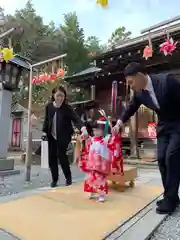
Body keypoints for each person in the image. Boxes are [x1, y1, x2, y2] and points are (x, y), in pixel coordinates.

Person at [113, 62, 180, 214]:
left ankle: (170, 200)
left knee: (172, 157)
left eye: (131, 82)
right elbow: (130, 108)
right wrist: (118, 123)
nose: (130, 86)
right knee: (162, 159)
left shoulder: (166, 81)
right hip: (163, 126)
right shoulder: (139, 93)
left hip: (178, 123)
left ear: (139, 76)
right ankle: (171, 196)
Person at [42, 85, 88, 188]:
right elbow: (46, 120)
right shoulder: (49, 107)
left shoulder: (67, 108)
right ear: (53, 95)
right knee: (52, 159)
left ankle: (68, 177)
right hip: (51, 136)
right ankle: (55, 179)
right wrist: (44, 132)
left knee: (62, 157)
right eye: (58, 95)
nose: (60, 98)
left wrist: (83, 129)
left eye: (62, 96)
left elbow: (76, 119)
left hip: (63, 137)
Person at [77, 117, 122, 202]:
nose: (96, 132)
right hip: (92, 163)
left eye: (98, 130)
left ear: (102, 131)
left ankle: (101, 194)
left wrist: (111, 128)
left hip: (102, 164)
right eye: (94, 130)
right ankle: (91, 191)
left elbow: (113, 140)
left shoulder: (105, 139)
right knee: (90, 178)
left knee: (101, 179)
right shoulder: (92, 139)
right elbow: (87, 145)